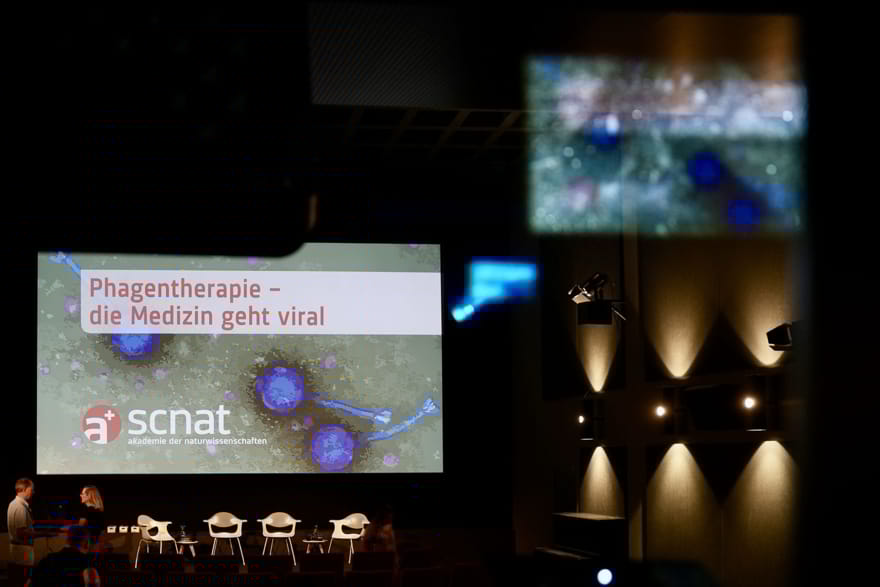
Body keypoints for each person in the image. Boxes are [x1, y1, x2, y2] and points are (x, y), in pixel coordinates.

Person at [29, 523, 100, 586]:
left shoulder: (47, 561)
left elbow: (32, 582)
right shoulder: (89, 564)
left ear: (67, 540)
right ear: (86, 543)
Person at [7, 478, 36, 567]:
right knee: (24, 573)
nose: (33, 492)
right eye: (31, 489)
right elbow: (21, 533)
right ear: (24, 489)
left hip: (18, 550)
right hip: (23, 552)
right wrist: (43, 533)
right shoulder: (20, 507)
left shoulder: (13, 504)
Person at [75, 486, 106, 551]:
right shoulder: (99, 511)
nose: (80, 495)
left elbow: (79, 528)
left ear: (89, 496)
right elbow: (102, 531)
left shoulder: (86, 511)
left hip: (88, 546)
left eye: (82, 493)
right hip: (97, 546)